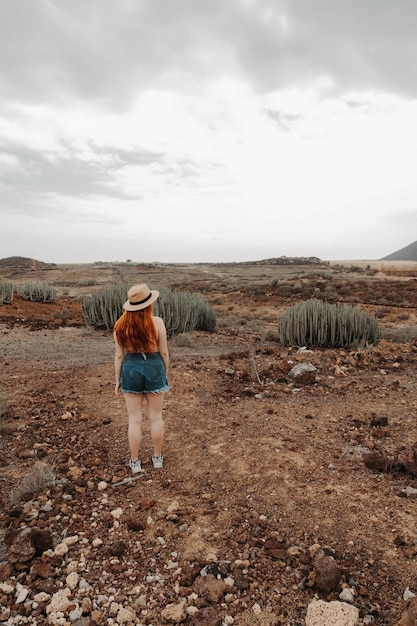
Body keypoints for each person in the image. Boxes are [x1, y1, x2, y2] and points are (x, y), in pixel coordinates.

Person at [113, 284, 169, 473]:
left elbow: (119, 356)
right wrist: (164, 373)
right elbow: (164, 352)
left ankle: (135, 462)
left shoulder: (120, 327)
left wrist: (117, 380)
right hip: (154, 367)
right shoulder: (158, 322)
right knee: (156, 418)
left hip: (130, 369)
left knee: (134, 420)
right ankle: (157, 458)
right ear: (149, 304)